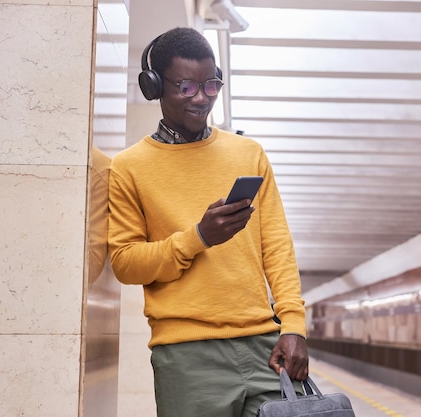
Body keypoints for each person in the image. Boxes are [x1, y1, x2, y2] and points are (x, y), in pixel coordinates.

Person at [108, 27, 309, 417]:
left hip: (265, 346)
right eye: (186, 87)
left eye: (211, 85)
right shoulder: (128, 168)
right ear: (154, 87)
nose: (201, 99)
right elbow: (125, 262)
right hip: (186, 354)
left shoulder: (248, 153)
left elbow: (278, 246)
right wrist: (198, 237)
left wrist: (294, 326)